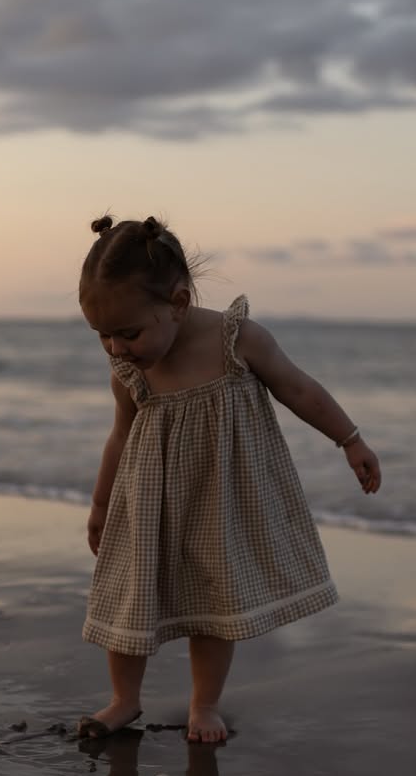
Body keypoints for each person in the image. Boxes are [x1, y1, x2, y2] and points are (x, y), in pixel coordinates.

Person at [76, 215, 381, 743]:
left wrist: (349, 439)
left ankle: (204, 705)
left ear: (177, 302)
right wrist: (102, 505)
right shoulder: (130, 370)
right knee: (128, 597)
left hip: (219, 502)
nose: (117, 348)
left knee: (214, 607)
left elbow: (300, 389)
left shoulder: (237, 339)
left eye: (128, 333)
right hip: (147, 503)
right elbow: (120, 437)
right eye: (103, 336)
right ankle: (124, 700)